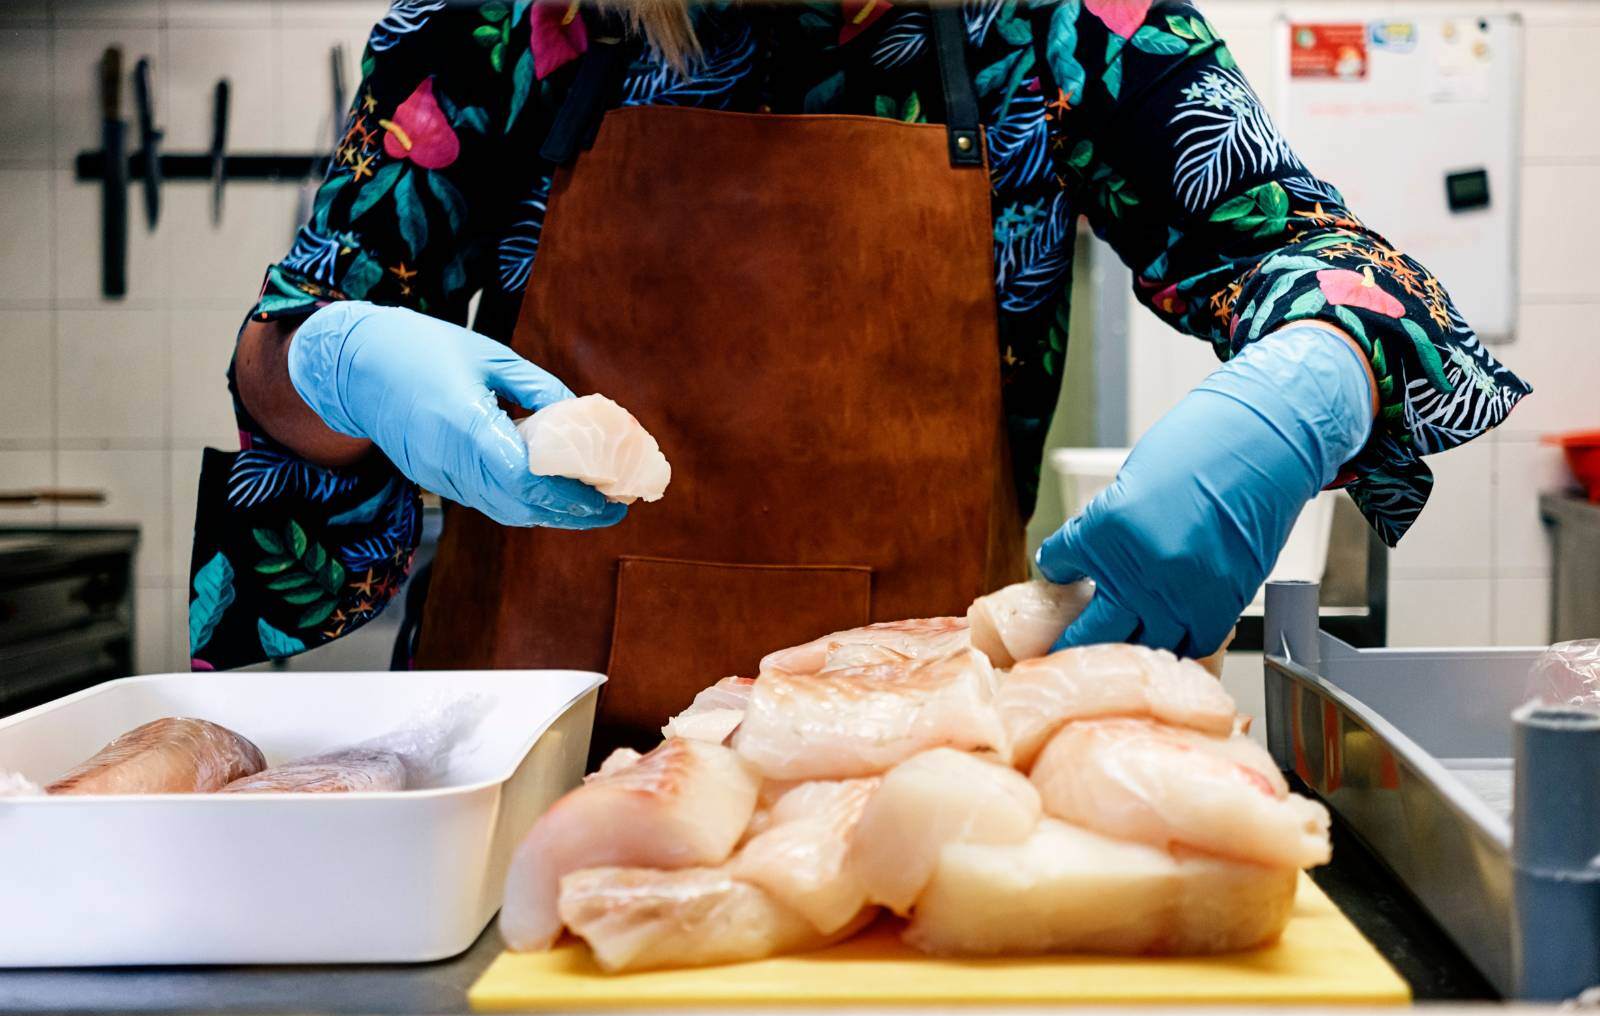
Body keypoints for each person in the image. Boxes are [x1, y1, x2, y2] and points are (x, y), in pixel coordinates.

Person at [188, 0, 1527, 755]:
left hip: (917, 766)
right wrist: (342, 357)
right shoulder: (500, 25)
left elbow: (1330, 261)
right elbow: (278, 364)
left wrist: (1307, 378)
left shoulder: (1064, 29)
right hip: (523, 775)